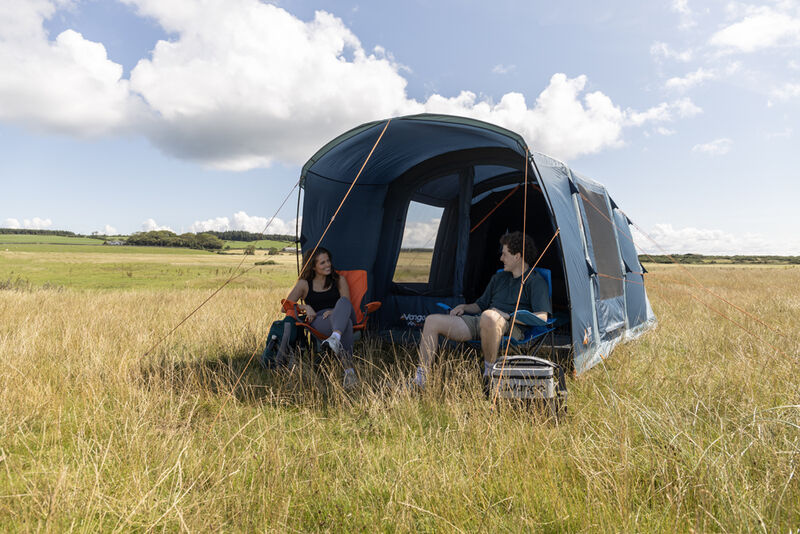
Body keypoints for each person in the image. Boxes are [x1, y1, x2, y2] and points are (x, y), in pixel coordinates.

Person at [411, 231, 551, 389]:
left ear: (517, 256)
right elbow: (480, 305)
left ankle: (489, 375)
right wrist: (464, 307)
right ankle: (420, 379)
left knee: (490, 316)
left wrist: (508, 317)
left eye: (504, 254)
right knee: (432, 320)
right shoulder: (499, 278)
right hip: (481, 320)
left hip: (510, 328)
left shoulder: (535, 282)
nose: (501, 258)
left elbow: (542, 317)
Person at [284, 247, 358, 389]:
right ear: (313, 266)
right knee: (346, 324)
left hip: (342, 312)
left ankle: (335, 337)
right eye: (322, 263)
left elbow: (346, 303)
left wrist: (335, 311)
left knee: (343, 304)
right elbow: (286, 307)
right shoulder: (304, 284)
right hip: (320, 320)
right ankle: (349, 373)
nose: (328, 265)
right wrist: (305, 307)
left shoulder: (339, 280)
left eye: (328, 261)